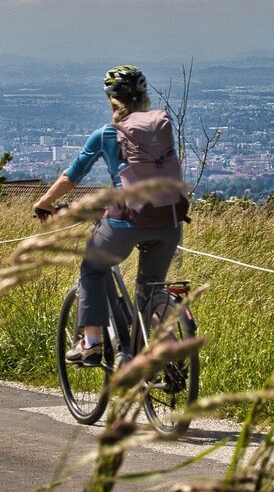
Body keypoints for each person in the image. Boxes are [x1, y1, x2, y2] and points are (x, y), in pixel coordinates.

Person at [33, 65, 185, 365]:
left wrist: (45, 202)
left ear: (111, 100)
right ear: (143, 98)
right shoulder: (159, 129)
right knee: (152, 287)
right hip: (170, 220)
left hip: (125, 221)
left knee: (92, 268)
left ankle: (91, 343)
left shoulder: (106, 134)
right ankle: (168, 351)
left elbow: (71, 176)